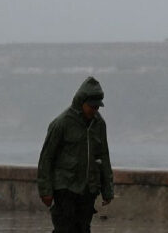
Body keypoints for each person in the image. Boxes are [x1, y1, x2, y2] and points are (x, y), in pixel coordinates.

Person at [37, 77, 114, 233]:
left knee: (83, 229)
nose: (95, 111)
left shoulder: (99, 124)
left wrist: (108, 189)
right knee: (64, 228)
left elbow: (103, 157)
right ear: (82, 102)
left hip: (88, 188)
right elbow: (46, 158)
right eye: (92, 107)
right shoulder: (61, 123)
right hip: (65, 187)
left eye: (98, 107)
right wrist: (45, 191)